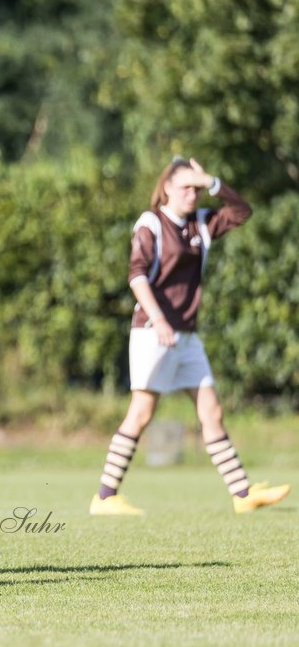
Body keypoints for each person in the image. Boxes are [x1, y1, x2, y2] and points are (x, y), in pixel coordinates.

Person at [90, 157, 289, 516]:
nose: (192, 194)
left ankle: (242, 494)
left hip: (186, 336)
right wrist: (159, 318)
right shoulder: (151, 223)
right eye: (186, 187)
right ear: (166, 187)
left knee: (212, 410)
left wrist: (212, 180)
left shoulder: (202, 224)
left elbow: (242, 211)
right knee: (141, 412)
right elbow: (136, 276)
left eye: (197, 189)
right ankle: (104, 497)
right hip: (154, 332)